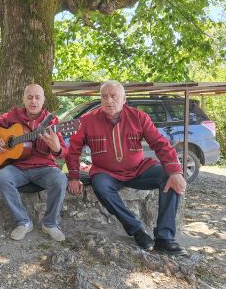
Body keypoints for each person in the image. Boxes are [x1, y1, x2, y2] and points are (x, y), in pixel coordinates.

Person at [66, 80, 188, 256]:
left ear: (124, 99)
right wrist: (74, 176)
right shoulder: (87, 121)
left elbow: (160, 144)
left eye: (114, 96)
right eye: (104, 96)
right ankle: (137, 230)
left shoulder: (139, 117)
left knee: (169, 177)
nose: (109, 100)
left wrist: (175, 171)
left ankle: (165, 238)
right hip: (105, 173)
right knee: (100, 184)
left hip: (138, 170)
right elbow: (73, 150)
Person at [0, 84, 68, 242]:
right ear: (24, 99)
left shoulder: (52, 121)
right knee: (2, 178)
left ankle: (50, 223)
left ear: (43, 100)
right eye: (29, 97)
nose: (33, 101)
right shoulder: (14, 115)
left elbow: (62, 152)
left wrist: (56, 148)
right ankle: (23, 222)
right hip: (18, 167)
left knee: (60, 179)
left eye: (37, 97)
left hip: (44, 168)